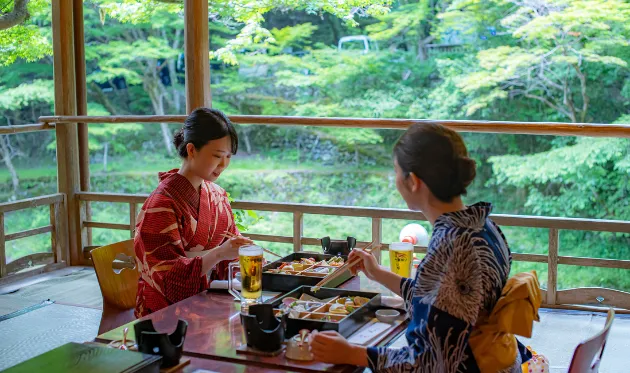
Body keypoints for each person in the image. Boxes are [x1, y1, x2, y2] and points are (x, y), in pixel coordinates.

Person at [310, 123, 532, 372]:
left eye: (396, 171)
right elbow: (443, 302)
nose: (395, 180)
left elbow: (431, 363)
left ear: (413, 181)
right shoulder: (483, 226)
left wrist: (352, 354)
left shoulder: (451, 248)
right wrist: (378, 273)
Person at [134, 108, 252, 318]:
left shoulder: (217, 196)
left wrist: (239, 251)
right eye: (217, 156)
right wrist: (218, 254)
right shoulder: (161, 204)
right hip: (167, 313)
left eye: (228, 157)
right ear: (191, 150)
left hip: (210, 302)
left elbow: (229, 255)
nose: (223, 165)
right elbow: (166, 278)